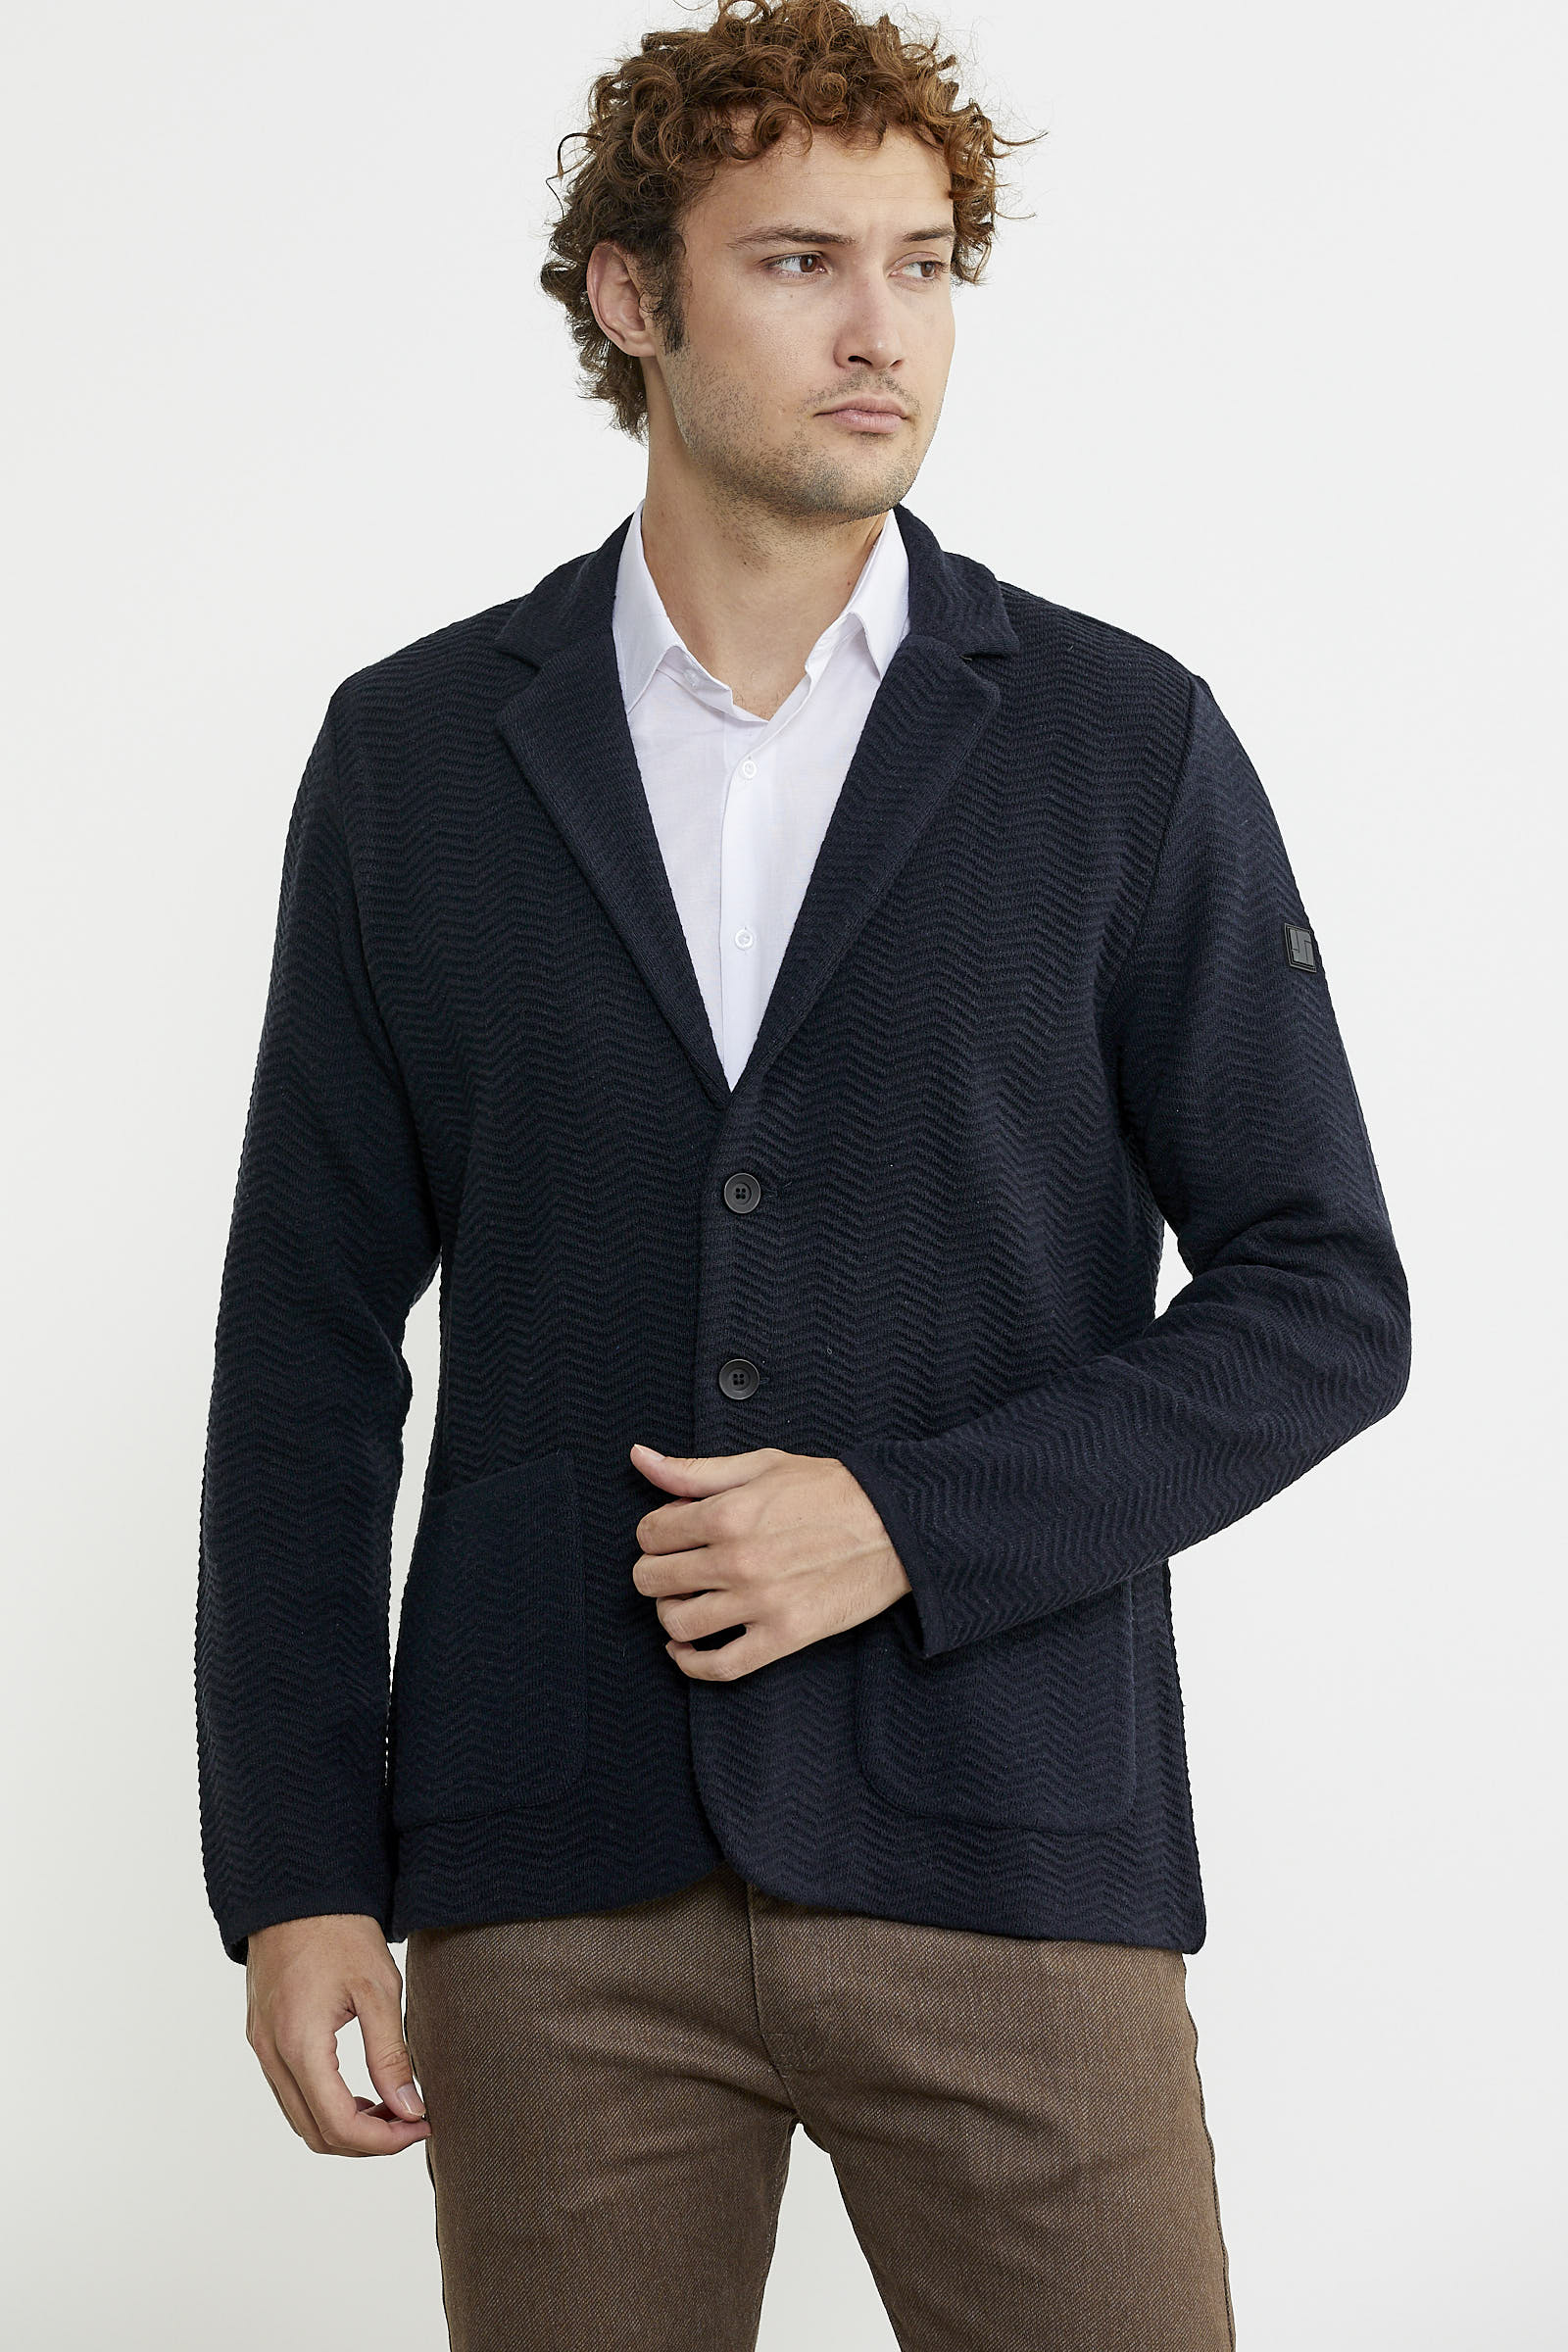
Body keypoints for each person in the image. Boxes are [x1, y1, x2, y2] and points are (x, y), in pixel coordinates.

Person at [195, 3, 1411, 2344]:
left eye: (924, 263)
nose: (883, 331)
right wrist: (295, 1867)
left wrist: (906, 1523)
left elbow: (1321, 1299)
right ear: (627, 296)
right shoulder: (414, 758)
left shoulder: (1117, 744)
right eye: (797, 262)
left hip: (1012, 1841)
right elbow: (305, 1347)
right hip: (550, 1873)